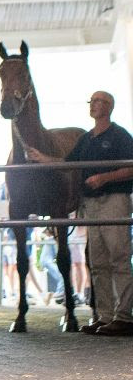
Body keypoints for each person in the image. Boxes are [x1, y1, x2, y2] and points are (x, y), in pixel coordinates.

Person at [28, 91, 133, 335]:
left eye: (97, 101)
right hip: (91, 204)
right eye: (92, 101)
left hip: (114, 201)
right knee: (98, 261)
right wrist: (42, 158)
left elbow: (131, 166)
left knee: (118, 258)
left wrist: (105, 177)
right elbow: (67, 163)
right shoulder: (86, 139)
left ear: (108, 107)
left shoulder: (119, 136)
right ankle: (106, 316)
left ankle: (125, 316)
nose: (93, 105)